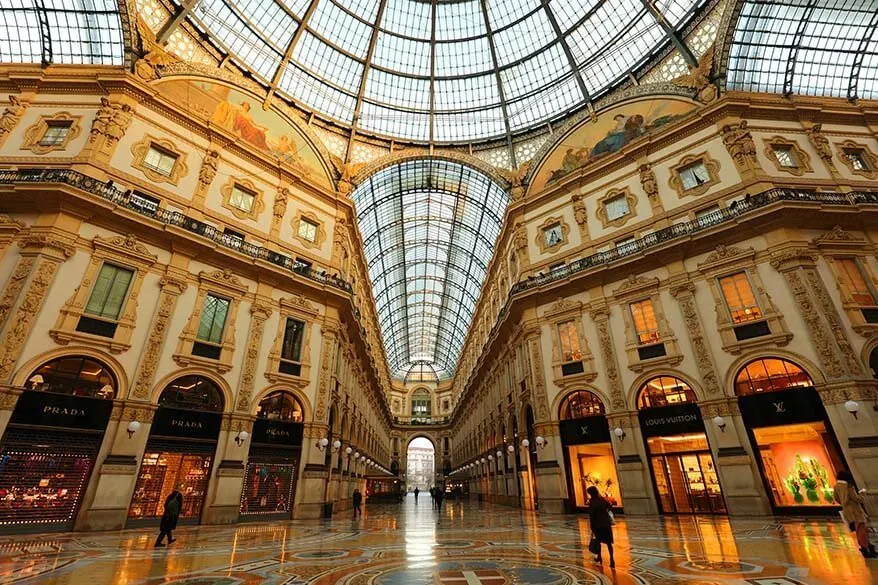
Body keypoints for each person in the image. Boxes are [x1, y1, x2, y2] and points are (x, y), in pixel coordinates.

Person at [834, 470, 875, 558]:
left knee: (858, 529)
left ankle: (865, 547)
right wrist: (863, 493)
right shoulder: (848, 486)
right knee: (862, 529)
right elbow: (857, 499)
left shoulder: (836, 486)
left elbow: (836, 498)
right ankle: (866, 548)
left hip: (847, 510)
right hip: (855, 510)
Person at [587, 486, 615, 568]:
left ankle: (600, 557)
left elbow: (592, 515)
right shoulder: (602, 499)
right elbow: (610, 506)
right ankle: (612, 560)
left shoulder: (592, 501)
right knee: (609, 543)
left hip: (597, 524)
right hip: (606, 524)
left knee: (598, 542)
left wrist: (592, 526)